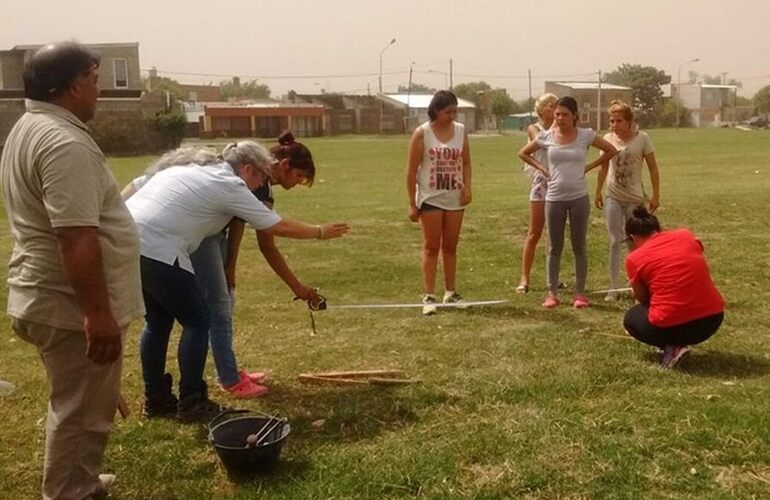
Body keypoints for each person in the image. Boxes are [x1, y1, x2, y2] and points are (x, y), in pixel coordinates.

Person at [0, 41, 144, 499]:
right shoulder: (64, 143)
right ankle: (69, 492)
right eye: (94, 80)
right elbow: (75, 235)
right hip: (67, 304)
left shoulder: (30, 126)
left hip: (47, 296)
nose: (99, 90)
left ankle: (78, 479)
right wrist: (97, 314)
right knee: (80, 411)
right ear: (72, 86)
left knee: (78, 403)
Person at [125, 141, 348, 422]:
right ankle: (192, 402)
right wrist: (320, 231)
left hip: (127, 242)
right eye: (262, 177)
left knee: (158, 323)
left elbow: (133, 189)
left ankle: (156, 400)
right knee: (198, 321)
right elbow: (275, 225)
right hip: (159, 247)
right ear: (247, 168)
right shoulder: (229, 183)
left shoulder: (190, 168)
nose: (261, 184)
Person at [213, 132, 322, 396]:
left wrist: (231, 264)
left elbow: (241, 226)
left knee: (223, 307)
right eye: (298, 176)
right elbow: (263, 242)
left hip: (211, 237)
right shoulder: (257, 182)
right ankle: (229, 378)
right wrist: (229, 267)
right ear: (284, 165)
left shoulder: (263, 185)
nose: (298, 183)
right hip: (204, 238)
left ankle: (229, 371)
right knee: (219, 309)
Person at [518, 96, 617, 308]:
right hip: (554, 198)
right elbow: (523, 153)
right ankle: (551, 293)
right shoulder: (546, 136)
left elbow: (611, 150)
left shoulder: (585, 135)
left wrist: (589, 166)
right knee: (554, 247)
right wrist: (542, 168)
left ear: (575, 116)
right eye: (557, 115)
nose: (560, 118)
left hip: (579, 198)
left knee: (579, 245)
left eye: (564, 115)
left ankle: (580, 293)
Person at [622, 207, 724, 368]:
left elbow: (643, 299)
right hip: (713, 319)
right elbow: (698, 249)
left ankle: (673, 347)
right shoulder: (686, 235)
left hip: (678, 324)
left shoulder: (634, 258)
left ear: (633, 237)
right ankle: (677, 344)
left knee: (632, 318)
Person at [406, 90, 472, 315]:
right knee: (431, 246)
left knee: (451, 247)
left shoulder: (461, 131)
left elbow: (466, 163)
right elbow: (411, 171)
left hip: (454, 198)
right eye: (448, 112)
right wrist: (411, 203)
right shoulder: (422, 133)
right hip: (430, 197)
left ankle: (451, 293)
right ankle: (429, 296)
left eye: (455, 111)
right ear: (436, 111)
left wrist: (468, 188)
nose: (452, 116)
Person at [595, 100, 661, 301]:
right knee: (614, 241)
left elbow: (652, 167)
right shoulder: (607, 139)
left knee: (635, 242)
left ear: (629, 121)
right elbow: (603, 167)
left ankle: (637, 285)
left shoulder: (643, 138)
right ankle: (613, 288)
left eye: (619, 121)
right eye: (611, 121)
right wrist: (598, 191)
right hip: (613, 196)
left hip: (634, 198)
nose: (614, 125)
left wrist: (655, 195)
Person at [516, 93, 558, 293]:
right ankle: (524, 278)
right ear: (541, 109)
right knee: (535, 232)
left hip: (558, 182)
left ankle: (553, 276)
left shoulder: (561, 128)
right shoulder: (535, 128)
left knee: (554, 234)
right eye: (551, 105)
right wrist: (540, 167)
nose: (555, 109)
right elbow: (541, 141)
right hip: (540, 183)